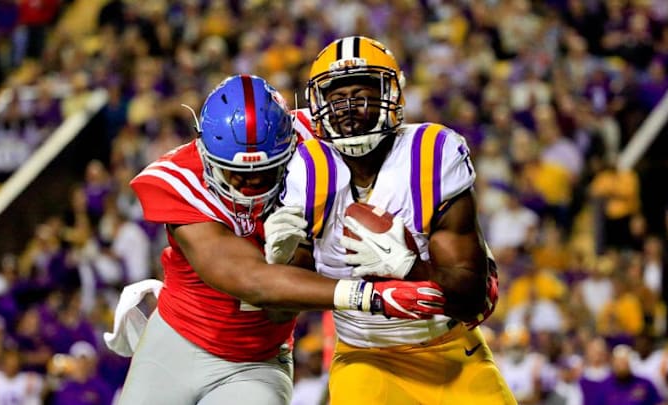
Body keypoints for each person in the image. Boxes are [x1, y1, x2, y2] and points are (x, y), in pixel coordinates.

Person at [115, 74, 445, 405]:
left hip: (256, 361)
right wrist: (370, 296)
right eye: (236, 174)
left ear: (289, 150)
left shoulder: (317, 142)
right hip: (175, 341)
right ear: (206, 156)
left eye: (264, 172)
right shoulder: (180, 179)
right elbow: (251, 281)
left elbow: (407, 158)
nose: (249, 185)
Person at [265, 36, 515, 403]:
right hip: (364, 356)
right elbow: (278, 313)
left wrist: (411, 268)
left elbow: (471, 300)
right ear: (319, 104)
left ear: (391, 95)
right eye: (336, 98)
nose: (348, 108)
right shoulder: (307, 169)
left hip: (446, 349)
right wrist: (281, 266)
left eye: (361, 93)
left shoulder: (431, 155)